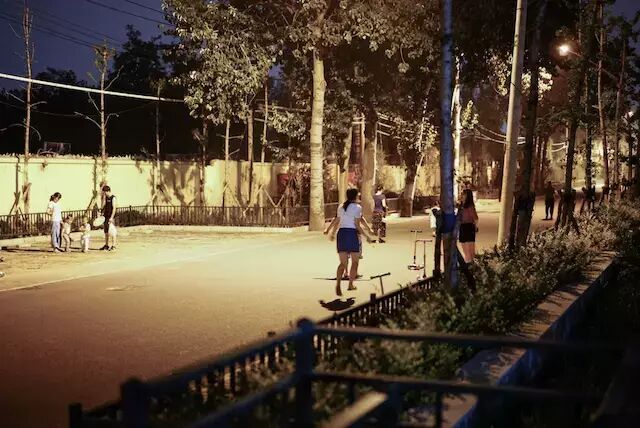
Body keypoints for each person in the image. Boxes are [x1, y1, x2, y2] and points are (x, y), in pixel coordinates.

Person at [324, 188, 372, 296]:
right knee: (355, 262)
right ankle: (350, 284)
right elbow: (357, 225)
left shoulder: (341, 206)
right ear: (355, 196)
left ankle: (338, 283)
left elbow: (336, 220)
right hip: (352, 234)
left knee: (343, 263)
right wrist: (366, 236)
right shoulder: (357, 208)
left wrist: (330, 231)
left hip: (342, 234)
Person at [458, 189, 479, 263]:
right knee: (465, 250)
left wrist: (476, 227)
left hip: (468, 227)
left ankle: (470, 265)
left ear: (468, 196)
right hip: (462, 228)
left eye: (464, 194)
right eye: (462, 194)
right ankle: (469, 264)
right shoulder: (461, 206)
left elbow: (475, 218)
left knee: (469, 251)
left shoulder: (470, 207)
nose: (462, 196)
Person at [101, 185, 117, 251]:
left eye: (105, 192)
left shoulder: (113, 198)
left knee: (112, 232)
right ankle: (106, 245)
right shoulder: (106, 198)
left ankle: (114, 245)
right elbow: (103, 206)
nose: (104, 193)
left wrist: (111, 218)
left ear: (107, 191)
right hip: (105, 217)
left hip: (110, 217)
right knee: (106, 231)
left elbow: (114, 208)